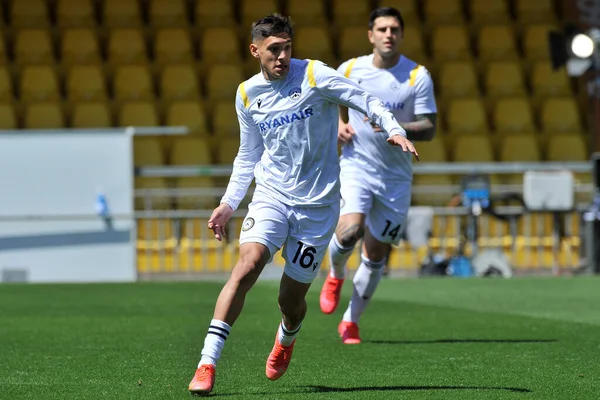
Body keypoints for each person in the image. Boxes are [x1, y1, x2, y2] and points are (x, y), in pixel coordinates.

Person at [187, 13, 418, 395]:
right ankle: (207, 363)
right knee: (246, 266)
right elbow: (248, 155)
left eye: (286, 48)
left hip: (317, 208)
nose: (281, 56)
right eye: (273, 49)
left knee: (289, 301)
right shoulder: (247, 93)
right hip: (272, 196)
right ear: (255, 50)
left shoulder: (314, 75)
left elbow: (362, 99)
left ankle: (287, 337)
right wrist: (228, 204)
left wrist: (393, 128)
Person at [319, 7, 437, 344]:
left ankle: (351, 321)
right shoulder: (350, 69)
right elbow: (331, 104)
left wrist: (399, 128)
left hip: (396, 178)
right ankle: (336, 273)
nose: (388, 34)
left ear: (401, 35)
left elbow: (429, 128)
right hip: (357, 165)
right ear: (370, 35)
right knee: (349, 230)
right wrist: (340, 125)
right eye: (382, 29)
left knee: (376, 254)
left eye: (394, 29)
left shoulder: (417, 76)